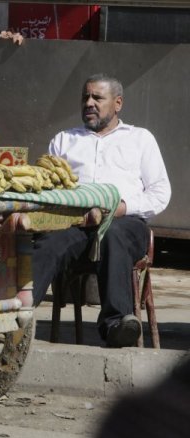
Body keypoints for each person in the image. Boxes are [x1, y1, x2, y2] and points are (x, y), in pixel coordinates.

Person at [32, 74, 171, 348]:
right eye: (85, 97)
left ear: (117, 103)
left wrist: (122, 208)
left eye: (97, 97)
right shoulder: (64, 140)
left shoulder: (140, 139)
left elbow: (160, 192)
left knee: (113, 235)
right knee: (48, 243)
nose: (89, 103)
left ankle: (116, 324)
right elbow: (48, 187)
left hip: (127, 225)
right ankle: (15, 314)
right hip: (77, 224)